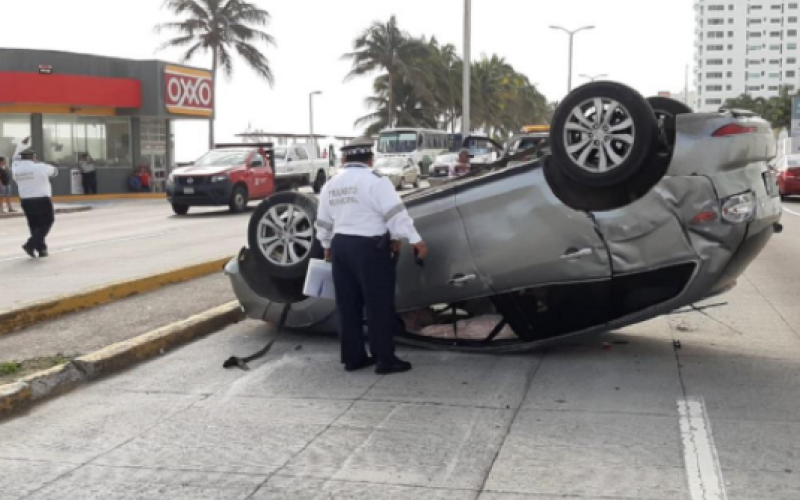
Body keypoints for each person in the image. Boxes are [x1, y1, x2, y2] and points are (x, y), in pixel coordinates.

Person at [316, 137, 429, 375]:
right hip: (370, 248)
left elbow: (323, 220)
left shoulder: (331, 184)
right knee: (378, 305)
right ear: (370, 159)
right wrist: (414, 239)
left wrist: (326, 245)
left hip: (341, 247)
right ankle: (385, 359)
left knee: (347, 304)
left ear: (345, 159)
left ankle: (353, 357)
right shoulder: (376, 181)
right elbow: (395, 213)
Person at [12, 138, 58, 258]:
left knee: (34, 225)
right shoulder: (40, 167)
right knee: (48, 221)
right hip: (42, 199)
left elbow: (15, 158)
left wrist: (21, 145)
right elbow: (55, 172)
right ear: (34, 157)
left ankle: (41, 250)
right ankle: (31, 244)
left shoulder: (16, 169)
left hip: (26, 200)